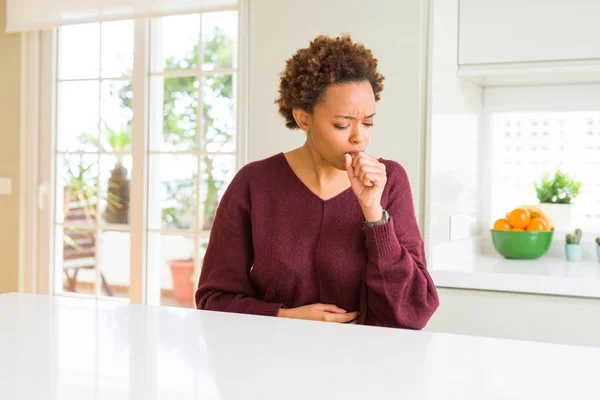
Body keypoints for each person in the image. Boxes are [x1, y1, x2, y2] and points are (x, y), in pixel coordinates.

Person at [195, 34, 439, 329]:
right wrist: (284, 317)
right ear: (303, 119)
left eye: (368, 122)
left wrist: (375, 215)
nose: (358, 136)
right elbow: (213, 300)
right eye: (342, 124)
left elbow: (415, 311)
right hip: (273, 364)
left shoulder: (390, 181)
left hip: (369, 368)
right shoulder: (253, 184)